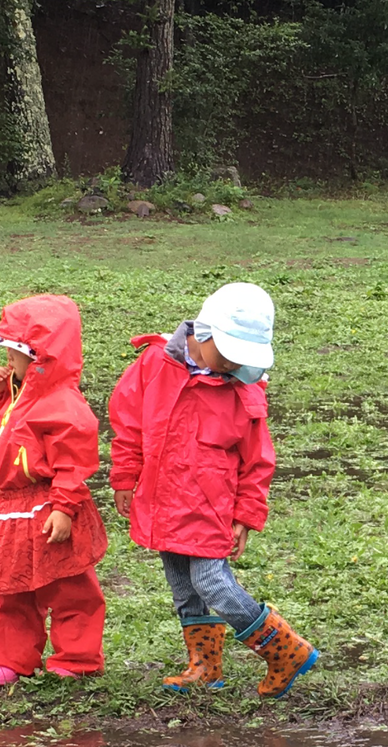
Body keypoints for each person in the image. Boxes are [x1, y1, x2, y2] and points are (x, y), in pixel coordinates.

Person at [109, 282, 318, 698]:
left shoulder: (243, 390)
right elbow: (129, 425)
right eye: (226, 356)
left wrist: (246, 513)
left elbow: (258, 459)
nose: (230, 367)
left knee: (212, 582)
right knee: (182, 586)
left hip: (209, 504)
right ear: (202, 336)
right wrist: (124, 476)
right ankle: (204, 666)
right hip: (161, 498)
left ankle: (284, 649)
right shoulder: (153, 366)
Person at [0, 293, 107, 687]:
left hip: (47, 506)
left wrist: (64, 507)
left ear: (41, 355)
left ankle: (77, 659)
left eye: (15, 351)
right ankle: (13, 660)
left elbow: (74, 463)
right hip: (7, 508)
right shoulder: (11, 392)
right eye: (6, 350)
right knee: (10, 589)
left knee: (70, 588)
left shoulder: (62, 404)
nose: (8, 359)